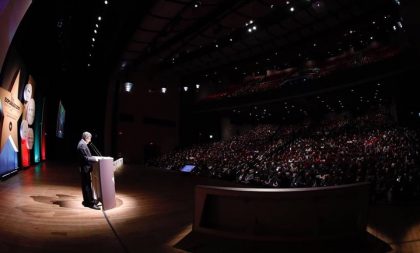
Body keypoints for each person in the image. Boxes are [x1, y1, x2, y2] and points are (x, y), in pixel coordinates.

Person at [77, 131, 100, 210]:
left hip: (85, 168)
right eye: (90, 138)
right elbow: (86, 158)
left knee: (85, 185)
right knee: (87, 186)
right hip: (85, 168)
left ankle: (87, 201)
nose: (90, 140)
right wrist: (95, 159)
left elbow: (86, 156)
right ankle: (90, 203)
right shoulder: (82, 145)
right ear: (87, 138)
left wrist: (92, 157)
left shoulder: (82, 144)